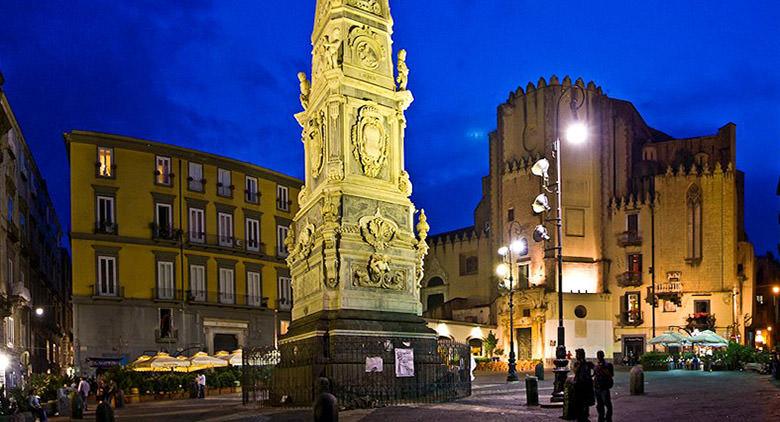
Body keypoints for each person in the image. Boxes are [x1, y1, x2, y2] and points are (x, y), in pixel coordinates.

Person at [572, 348, 595, 422]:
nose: (576, 356)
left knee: (586, 401)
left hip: (586, 385)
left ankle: (585, 416)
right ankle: (579, 416)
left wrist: (592, 376)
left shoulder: (588, 364)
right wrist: (580, 364)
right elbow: (575, 371)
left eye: (577, 354)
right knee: (578, 401)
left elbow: (595, 369)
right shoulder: (577, 364)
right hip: (578, 385)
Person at [593, 350, 614, 422]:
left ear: (603, 355)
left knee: (607, 403)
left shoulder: (608, 365)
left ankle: (608, 417)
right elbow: (595, 374)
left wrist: (602, 368)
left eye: (600, 355)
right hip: (597, 386)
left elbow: (611, 374)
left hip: (604, 386)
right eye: (598, 355)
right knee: (599, 404)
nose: (599, 357)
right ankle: (601, 417)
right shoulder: (596, 365)